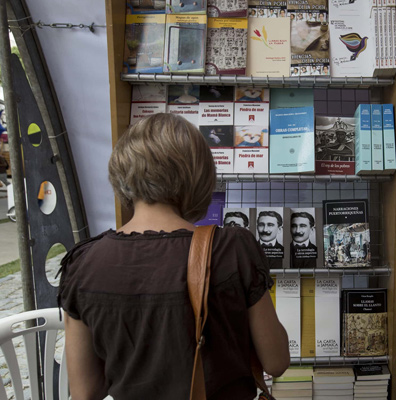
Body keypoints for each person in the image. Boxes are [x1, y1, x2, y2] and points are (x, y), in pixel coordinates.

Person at [59, 113, 289, 400]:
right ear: (199, 175)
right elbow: (276, 362)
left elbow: (85, 392)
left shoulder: (83, 263)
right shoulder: (232, 248)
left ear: (122, 172)